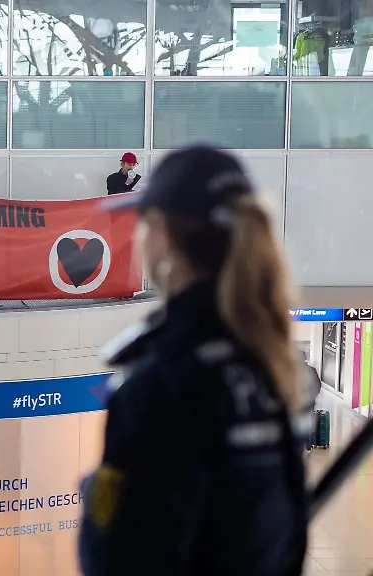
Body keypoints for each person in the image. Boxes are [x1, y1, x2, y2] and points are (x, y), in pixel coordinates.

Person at [79, 146, 309, 576]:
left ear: (162, 235)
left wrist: (95, 497)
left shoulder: (162, 383)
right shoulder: (278, 367)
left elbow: (121, 561)